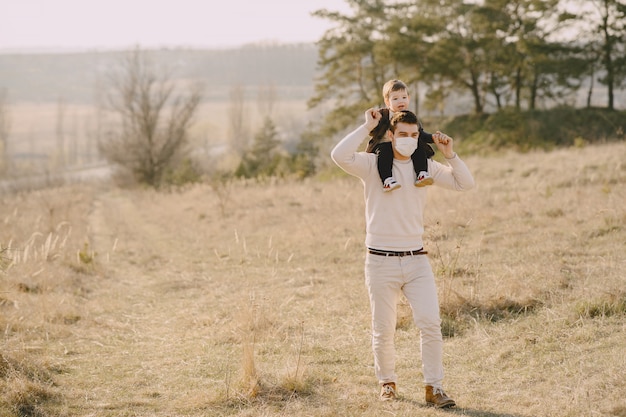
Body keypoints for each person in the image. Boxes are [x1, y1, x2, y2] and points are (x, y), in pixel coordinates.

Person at [331, 108, 474, 407]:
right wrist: (365, 127)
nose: (408, 140)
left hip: (416, 259)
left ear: (417, 136)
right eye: (402, 135)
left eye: (413, 135)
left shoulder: (426, 169)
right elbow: (339, 155)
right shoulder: (372, 165)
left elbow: (465, 183)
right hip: (380, 260)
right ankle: (387, 383)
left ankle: (433, 388)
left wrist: (450, 155)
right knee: (384, 328)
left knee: (430, 324)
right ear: (391, 136)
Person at [366, 79, 435, 192]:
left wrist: (433, 138)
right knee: (384, 153)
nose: (400, 101)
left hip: (404, 145)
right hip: (385, 144)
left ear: (409, 98)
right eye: (395, 98)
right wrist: (372, 121)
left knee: (418, 146)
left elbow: (420, 134)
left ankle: (422, 173)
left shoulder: (410, 117)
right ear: (388, 102)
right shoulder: (383, 115)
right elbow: (372, 132)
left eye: (404, 97)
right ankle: (387, 180)